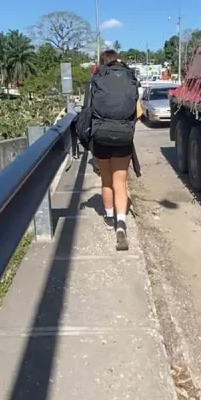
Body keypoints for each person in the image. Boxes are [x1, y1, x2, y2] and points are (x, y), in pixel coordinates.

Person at [90, 49, 139, 251]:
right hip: (124, 137)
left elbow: (88, 110)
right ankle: (121, 224)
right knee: (121, 182)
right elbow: (139, 112)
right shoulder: (129, 78)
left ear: (102, 63)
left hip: (101, 136)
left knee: (106, 180)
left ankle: (109, 217)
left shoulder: (97, 79)